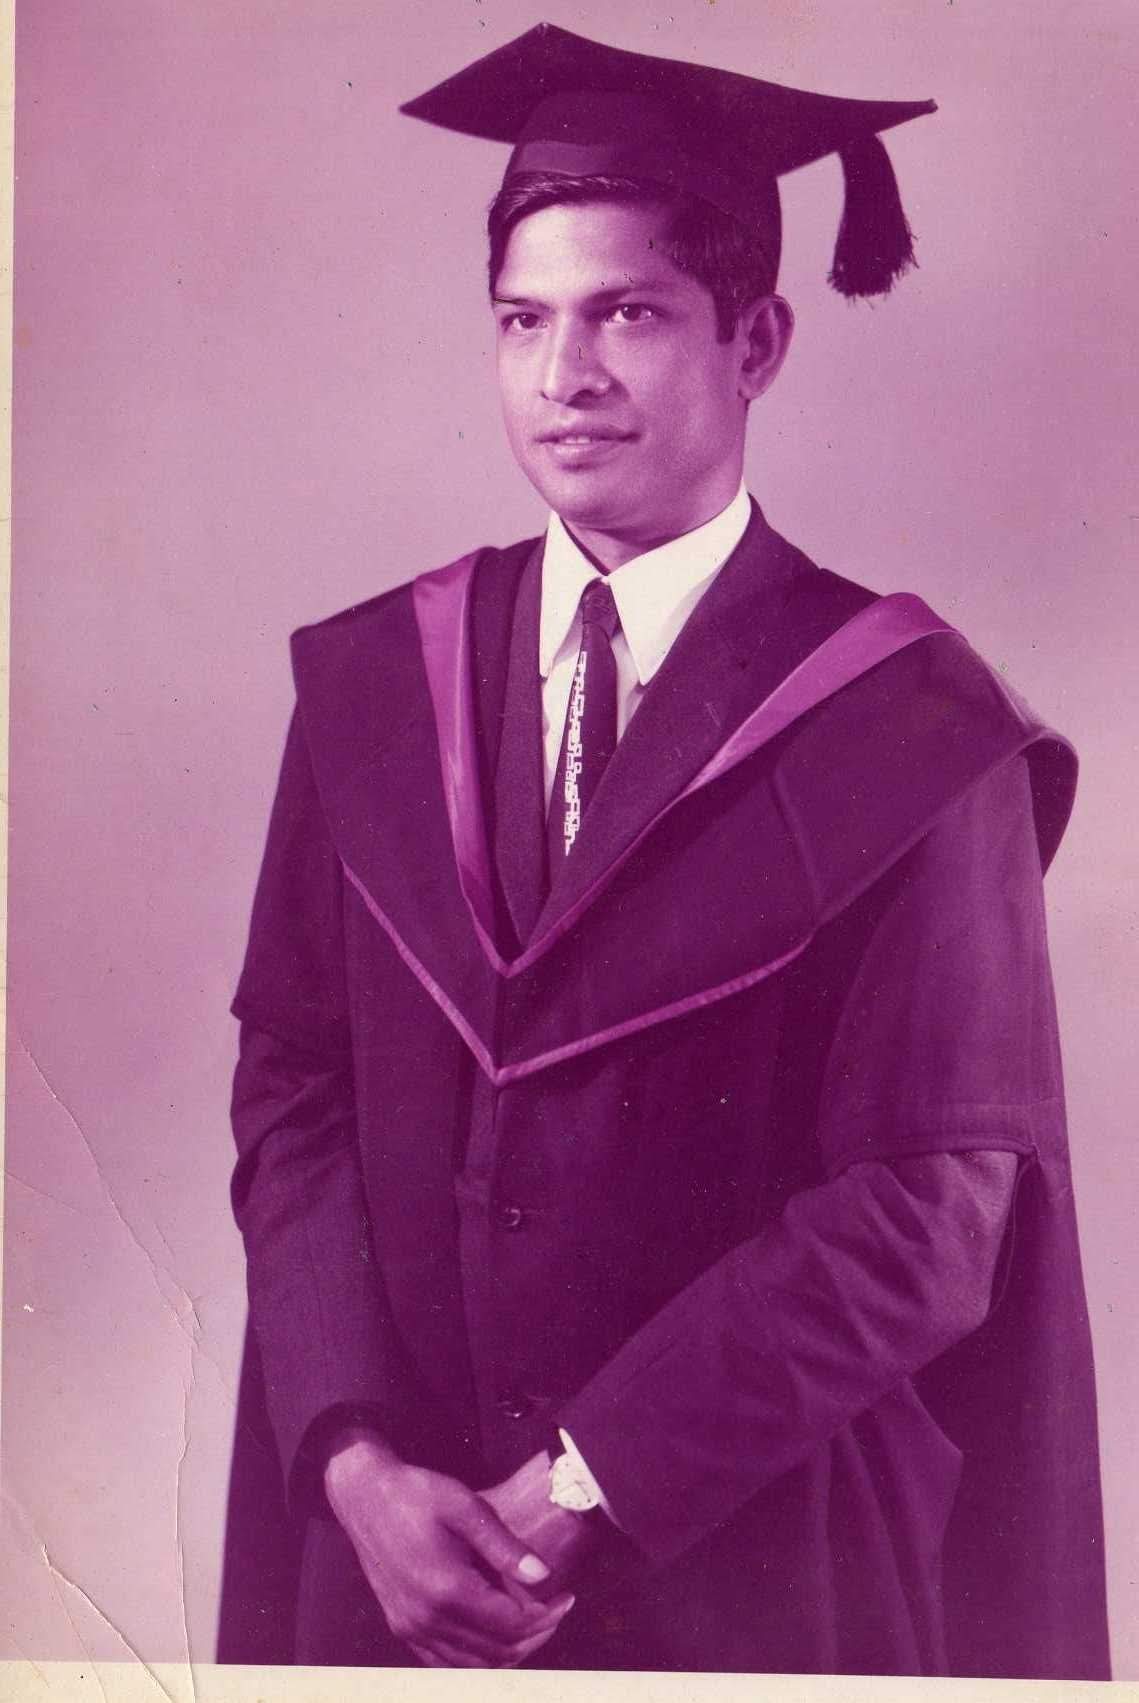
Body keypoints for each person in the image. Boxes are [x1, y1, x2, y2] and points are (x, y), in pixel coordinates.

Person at [219, 22, 1110, 1678]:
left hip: (747, 1571)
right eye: (523, 322)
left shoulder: (912, 726)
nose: (566, 380)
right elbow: (293, 1086)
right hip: (396, 1562)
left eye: (627, 313)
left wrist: (575, 1491)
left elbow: (929, 1205)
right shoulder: (370, 685)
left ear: (758, 338)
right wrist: (350, 1460)